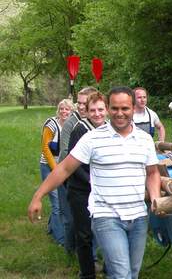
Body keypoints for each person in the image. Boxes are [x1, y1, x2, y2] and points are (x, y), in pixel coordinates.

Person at [29, 87, 162, 279]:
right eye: (114, 108)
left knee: (132, 273)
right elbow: (65, 168)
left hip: (139, 217)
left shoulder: (145, 139)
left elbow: (152, 172)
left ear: (133, 108)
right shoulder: (92, 138)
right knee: (122, 274)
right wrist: (38, 196)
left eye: (125, 108)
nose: (119, 113)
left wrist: (156, 197)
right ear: (108, 108)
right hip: (106, 216)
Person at [67, 92, 108, 279]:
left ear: (106, 109)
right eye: (93, 110)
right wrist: (91, 181)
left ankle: (110, 268)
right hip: (81, 190)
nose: (97, 114)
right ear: (86, 110)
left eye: (101, 109)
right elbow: (73, 164)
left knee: (108, 231)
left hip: (104, 190)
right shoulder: (80, 129)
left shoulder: (110, 128)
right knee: (84, 235)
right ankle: (87, 273)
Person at [58, 87, 97, 254]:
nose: (80, 107)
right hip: (69, 175)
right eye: (78, 103)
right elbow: (67, 154)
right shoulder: (73, 124)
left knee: (89, 222)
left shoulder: (100, 123)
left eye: (84, 103)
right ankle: (69, 250)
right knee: (72, 218)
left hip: (91, 180)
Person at [40, 98, 74, 246]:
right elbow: (46, 148)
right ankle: (60, 239)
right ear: (58, 110)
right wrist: (56, 169)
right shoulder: (51, 125)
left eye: (67, 109)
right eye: (62, 109)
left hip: (64, 168)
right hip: (49, 167)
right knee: (57, 204)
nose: (64, 112)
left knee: (62, 201)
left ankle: (51, 226)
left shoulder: (72, 125)